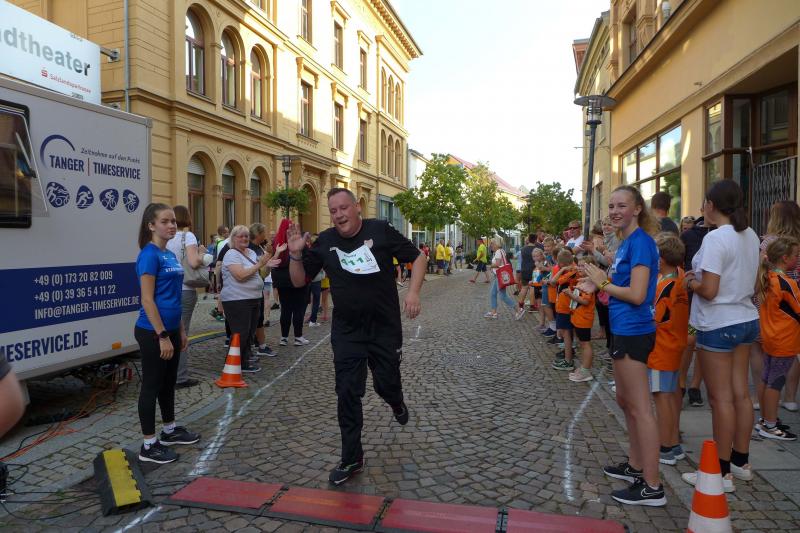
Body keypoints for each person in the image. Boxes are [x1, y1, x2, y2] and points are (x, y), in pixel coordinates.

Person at [286, 187, 427, 485]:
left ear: (357, 207)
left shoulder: (380, 230)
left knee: (386, 383)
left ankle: (396, 401)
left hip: (384, 328)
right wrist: (295, 255)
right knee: (347, 392)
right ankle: (352, 457)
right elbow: (299, 281)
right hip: (347, 332)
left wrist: (413, 293)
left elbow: (418, 258)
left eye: (343, 208)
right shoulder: (325, 241)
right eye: (333, 210)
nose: (339, 214)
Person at [581, 185, 665, 506]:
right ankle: (635, 465)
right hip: (621, 328)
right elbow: (622, 284)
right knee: (625, 400)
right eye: (611, 206)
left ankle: (652, 486)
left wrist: (602, 282)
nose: (615, 211)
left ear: (637, 209)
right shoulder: (627, 242)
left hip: (634, 329)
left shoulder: (641, 243)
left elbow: (638, 294)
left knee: (641, 408)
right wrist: (596, 284)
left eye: (622, 206)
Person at [681, 179, 760, 493]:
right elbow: (755, 283)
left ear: (711, 205)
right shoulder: (750, 234)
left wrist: (691, 282)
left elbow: (710, 290)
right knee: (741, 394)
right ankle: (741, 461)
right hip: (746, 317)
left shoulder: (716, 238)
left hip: (718, 322)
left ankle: (720, 471)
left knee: (721, 398)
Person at [134, 203, 200, 464]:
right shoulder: (149, 255)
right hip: (152, 332)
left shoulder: (170, 255)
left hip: (171, 329)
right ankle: (149, 446)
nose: (171, 225)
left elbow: (174, 297)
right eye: (165, 221)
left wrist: (180, 330)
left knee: (168, 383)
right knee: (151, 385)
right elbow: (147, 299)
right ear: (151, 225)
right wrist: (162, 335)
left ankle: (170, 431)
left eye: (173, 221)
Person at [649, 233, 689, 466]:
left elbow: (655, 319)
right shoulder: (679, 279)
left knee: (661, 397)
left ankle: (665, 448)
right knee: (671, 395)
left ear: (661, 259)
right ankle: (673, 443)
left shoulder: (664, 286)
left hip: (661, 349)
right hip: (675, 345)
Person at [754, 237, 799, 441]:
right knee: (775, 382)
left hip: (770, 338)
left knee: (767, 379)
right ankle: (770, 425)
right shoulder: (786, 282)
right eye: (796, 255)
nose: (797, 259)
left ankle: (765, 420)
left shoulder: (768, 278)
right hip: (784, 340)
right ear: (785, 258)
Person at [221, 225, 281, 373]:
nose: (244, 238)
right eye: (241, 236)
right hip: (237, 299)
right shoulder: (231, 254)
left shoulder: (251, 253)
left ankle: (245, 357)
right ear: (233, 238)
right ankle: (237, 363)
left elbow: (260, 274)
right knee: (241, 332)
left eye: (246, 236)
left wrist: (267, 266)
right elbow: (240, 275)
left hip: (253, 298)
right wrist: (260, 264)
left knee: (250, 332)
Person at [165, 205, 206, 389]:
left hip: (166, 288)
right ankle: (180, 377)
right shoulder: (187, 236)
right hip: (184, 288)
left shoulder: (164, 237)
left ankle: (165, 373)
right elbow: (194, 262)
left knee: (166, 332)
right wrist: (202, 253)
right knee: (182, 334)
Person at [679, 211, 712, 407]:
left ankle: (695, 386)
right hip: (691, 298)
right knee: (689, 340)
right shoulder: (689, 235)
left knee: (702, 342)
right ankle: (681, 381)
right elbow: (679, 262)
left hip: (713, 299)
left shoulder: (725, 233)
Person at [272, 219, 310, 347]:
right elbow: (306, 259)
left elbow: (272, 262)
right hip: (297, 279)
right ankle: (298, 337)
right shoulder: (298, 241)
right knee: (299, 309)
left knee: (285, 309)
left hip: (281, 281)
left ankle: (284, 337)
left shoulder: (276, 243)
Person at [249, 223, 277, 357]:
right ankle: (252, 347)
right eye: (264, 233)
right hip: (250, 289)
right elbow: (258, 270)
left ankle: (260, 345)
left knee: (258, 318)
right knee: (252, 319)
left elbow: (264, 271)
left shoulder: (260, 247)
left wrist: (270, 255)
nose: (265, 236)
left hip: (258, 286)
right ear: (258, 234)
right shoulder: (249, 249)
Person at [568, 254, 597, 382]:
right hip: (578, 317)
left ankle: (586, 371)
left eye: (582, 266)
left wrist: (570, 294)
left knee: (585, 344)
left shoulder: (589, 283)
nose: (579, 268)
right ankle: (583, 367)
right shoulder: (581, 280)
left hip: (584, 318)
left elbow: (585, 301)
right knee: (582, 343)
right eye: (578, 266)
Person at [483, 237, 517, 319]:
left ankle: (518, 309)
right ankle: (493, 312)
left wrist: (490, 266)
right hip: (498, 276)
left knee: (503, 296)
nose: (490, 245)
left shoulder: (498, 252)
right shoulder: (501, 251)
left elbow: (498, 264)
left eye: (492, 243)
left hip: (499, 276)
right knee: (493, 293)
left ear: (496, 244)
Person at [515, 234, 537, 319]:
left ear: (528, 239)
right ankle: (532, 306)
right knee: (532, 288)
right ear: (535, 240)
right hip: (533, 270)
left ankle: (520, 305)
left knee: (524, 288)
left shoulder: (523, 249)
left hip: (524, 270)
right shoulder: (536, 248)